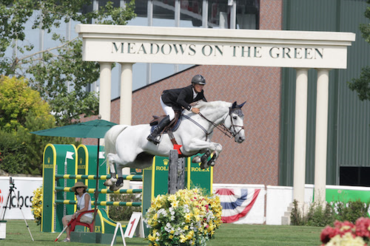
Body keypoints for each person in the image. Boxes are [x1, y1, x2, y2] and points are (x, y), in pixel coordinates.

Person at [147, 74, 207, 145]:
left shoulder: (201, 93)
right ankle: (153, 134)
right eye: (199, 85)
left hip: (176, 103)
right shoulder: (187, 90)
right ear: (193, 84)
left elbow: (205, 103)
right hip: (167, 99)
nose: (201, 87)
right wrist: (191, 108)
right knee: (172, 115)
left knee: (183, 114)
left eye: (202, 85)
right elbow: (180, 100)